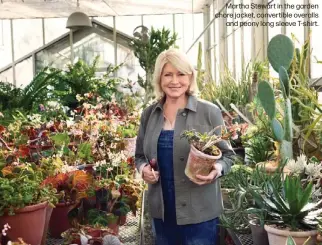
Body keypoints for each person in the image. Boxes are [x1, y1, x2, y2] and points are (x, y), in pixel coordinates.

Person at [135, 48, 235, 245]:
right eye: (168, 74)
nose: (174, 81)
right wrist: (143, 169)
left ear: (190, 77)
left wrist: (216, 169)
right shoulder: (149, 114)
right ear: (159, 78)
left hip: (200, 214)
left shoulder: (209, 112)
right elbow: (139, 156)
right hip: (162, 214)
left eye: (181, 74)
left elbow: (228, 156)